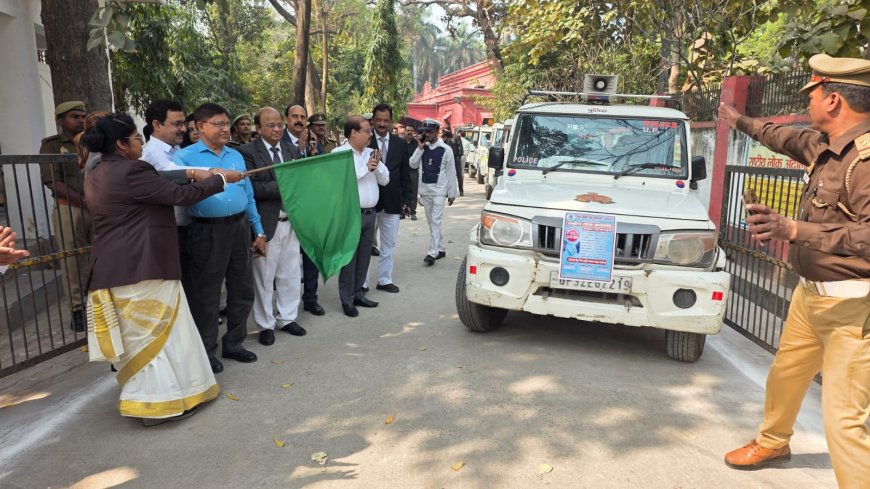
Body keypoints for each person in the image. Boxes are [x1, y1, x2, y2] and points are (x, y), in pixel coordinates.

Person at [719, 54, 870, 488]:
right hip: (811, 297)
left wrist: (792, 229)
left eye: (812, 93)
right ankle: (773, 441)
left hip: (853, 309)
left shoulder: (865, 161)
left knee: (844, 418)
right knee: (786, 374)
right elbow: (782, 136)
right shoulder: (827, 145)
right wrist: (739, 119)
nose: (807, 102)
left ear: (834, 99)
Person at [81, 112, 233, 426]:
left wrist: (195, 173)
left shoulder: (98, 172)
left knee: (143, 338)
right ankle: (157, 407)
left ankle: (160, 399)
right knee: (157, 339)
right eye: (137, 137)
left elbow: (161, 184)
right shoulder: (133, 170)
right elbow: (177, 195)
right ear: (122, 144)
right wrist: (218, 180)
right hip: (141, 266)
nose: (140, 141)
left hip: (116, 266)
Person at [173, 103, 266, 374]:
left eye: (227, 124)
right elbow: (180, 192)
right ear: (201, 127)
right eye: (219, 124)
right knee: (207, 294)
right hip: (205, 230)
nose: (226, 129)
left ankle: (234, 342)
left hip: (238, 228)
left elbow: (248, 196)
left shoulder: (236, 155)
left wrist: (258, 231)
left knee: (242, 288)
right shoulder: (185, 159)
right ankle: (206, 350)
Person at [240, 107, 307, 346]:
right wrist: (286, 184)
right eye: (271, 125)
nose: (277, 129)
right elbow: (253, 188)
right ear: (259, 128)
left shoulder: (291, 149)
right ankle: (265, 324)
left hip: (291, 222)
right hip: (266, 223)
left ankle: (287, 318)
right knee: (264, 278)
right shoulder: (247, 152)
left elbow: (300, 182)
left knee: (290, 273)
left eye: (279, 124)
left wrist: (287, 184)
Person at [40, 100, 90, 332]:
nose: (80, 120)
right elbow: (52, 181)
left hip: (97, 207)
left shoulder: (92, 142)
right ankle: (78, 310)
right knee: (72, 260)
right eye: (74, 117)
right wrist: (82, 201)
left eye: (82, 116)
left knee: (99, 257)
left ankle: (97, 306)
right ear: (61, 121)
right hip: (69, 207)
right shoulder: (51, 146)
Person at [334, 116, 389, 317]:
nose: (370, 134)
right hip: (351, 214)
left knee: (365, 257)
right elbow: (344, 181)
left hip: (370, 214)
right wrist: (366, 168)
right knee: (349, 258)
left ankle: (358, 293)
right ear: (353, 133)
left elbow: (385, 180)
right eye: (366, 131)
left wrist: (377, 165)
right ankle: (346, 299)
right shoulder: (339, 154)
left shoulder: (370, 153)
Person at [283, 104, 325, 315]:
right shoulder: (278, 142)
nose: (299, 120)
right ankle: (287, 309)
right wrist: (299, 150)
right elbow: (286, 174)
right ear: (286, 119)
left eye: (302, 116)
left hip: (310, 209)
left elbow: (320, 174)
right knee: (288, 263)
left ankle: (311, 297)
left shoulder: (314, 141)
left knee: (311, 256)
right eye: (295, 116)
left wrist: (314, 152)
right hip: (286, 211)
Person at [367, 103, 411, 293]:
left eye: (386, 120)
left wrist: (408, 200)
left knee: (389, 244)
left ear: (391, 121)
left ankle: (384, 280)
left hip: (393, 202)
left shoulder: (400, 144)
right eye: (379, 120)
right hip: (369, 201)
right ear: (373, 121)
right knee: (365, 245)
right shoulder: (364, 142)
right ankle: (361, 284)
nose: (382, 124)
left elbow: (405, 174)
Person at [409, 118, 458, 266]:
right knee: (432, 222)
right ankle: (441, 247)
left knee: (436, 221)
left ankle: (432, 252)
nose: (427, 134)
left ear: (437, 131)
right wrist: (419, 149)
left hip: (439, 191)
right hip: (425, 190)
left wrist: (452, 193)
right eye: (425, 132)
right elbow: (412, 164)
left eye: (430, 132)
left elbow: (451, 172)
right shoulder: (422, 148)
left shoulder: (446, 149)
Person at [402, 124, 419, 220]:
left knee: (413, 192)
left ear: (413, 132)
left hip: (413, 171)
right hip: (403, 171)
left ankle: (413, 212)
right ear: (404, 132)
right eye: (407, 130)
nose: (409, 132)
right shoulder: (400, 143)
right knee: (402, 191)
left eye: (411, 131)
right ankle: (403, 210)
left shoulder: (417, 144)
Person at [442, 129, 464, 196]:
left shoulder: (456, 138)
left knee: (459, 175)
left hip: (455, 158)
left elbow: (460, 149)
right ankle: (458, 191)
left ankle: (461, 191)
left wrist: (459, 157)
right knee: (452, 175)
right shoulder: (446, 140)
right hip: (452, 158)